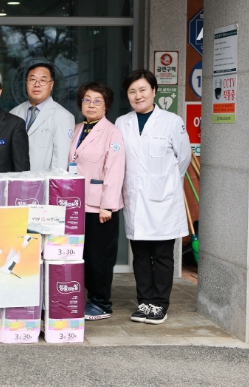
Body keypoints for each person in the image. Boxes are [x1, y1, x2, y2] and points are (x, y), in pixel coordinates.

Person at [115, 69, 191, 325]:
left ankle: (160, 304)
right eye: (132, 91)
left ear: (154, 91)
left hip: (163, 202)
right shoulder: (122, 122)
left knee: (161, 255)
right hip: (135, 200)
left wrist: (163, 183)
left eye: (142, 90)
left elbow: (183, 159)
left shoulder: (172, 121)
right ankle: (144, 302)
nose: (138, 96)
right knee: (139, 255)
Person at [67, 82, 125, 321]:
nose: (91, 105)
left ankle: (101, 303)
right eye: (87, 100)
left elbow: (115, 170)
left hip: (99, 206)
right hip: (76, 203)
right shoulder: (77, 128)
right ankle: (87, 298)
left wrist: (107, 205)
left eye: (97, 101)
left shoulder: (112, 133)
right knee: (82, 254)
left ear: (106, 105)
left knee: (99, 257)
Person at [10, 62, 75, 171]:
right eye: (32, 79)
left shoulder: (63, 117)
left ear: (51, 85)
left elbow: (60, 163)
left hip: (43, 181)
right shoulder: (13, 113)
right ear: (26, 83)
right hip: (15, 179)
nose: (37, 84)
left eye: (43, 80)